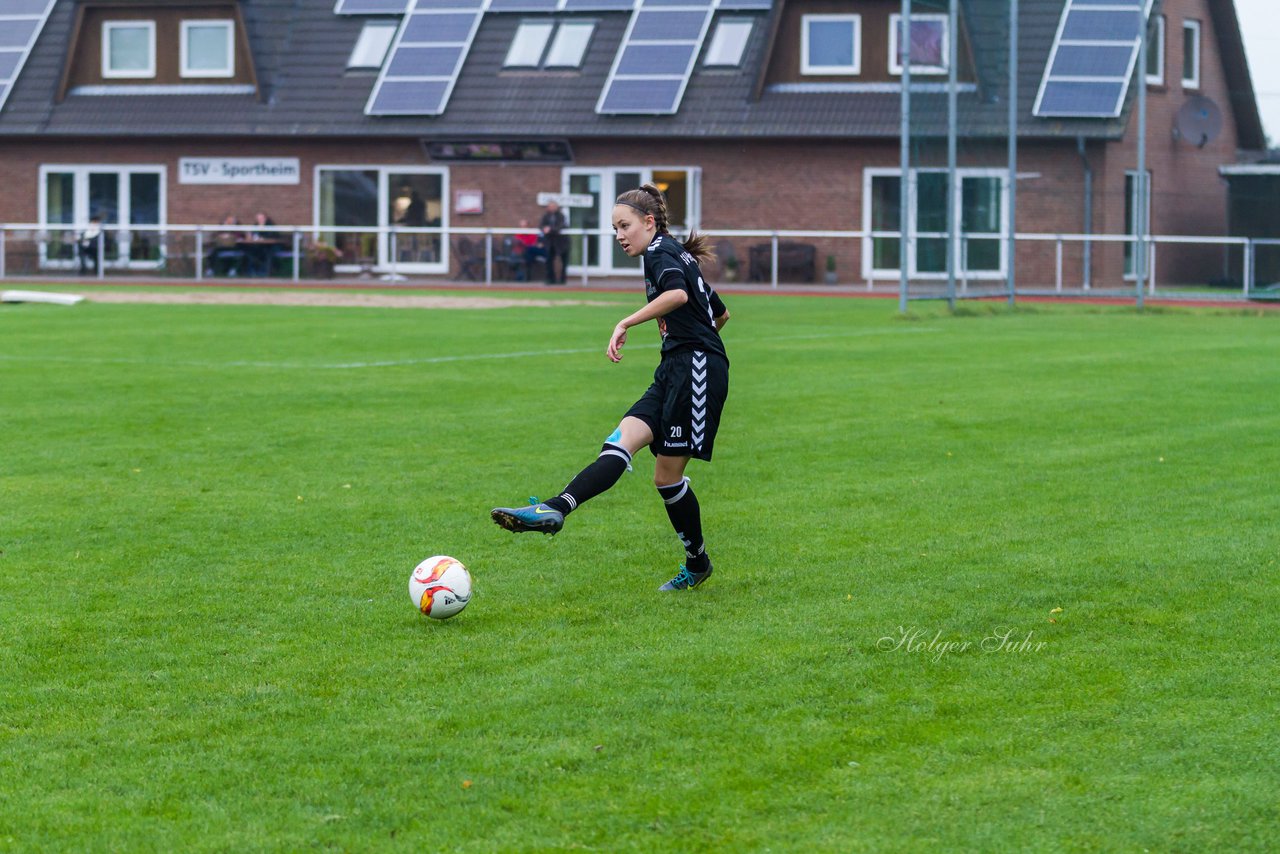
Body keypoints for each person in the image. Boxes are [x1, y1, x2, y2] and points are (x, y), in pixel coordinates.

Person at [492, 184, 730, 591]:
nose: (619, 235)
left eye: (625, 226)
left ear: (649, 223)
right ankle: (555, 508)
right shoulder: (672, 251)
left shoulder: (660, 252)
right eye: (614, 228)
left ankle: (698, 563)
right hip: (675, 367)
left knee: (666, 479)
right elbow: (721, 313)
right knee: (619, 442)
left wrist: (627, 322)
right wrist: (683, 331)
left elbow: (677, 293)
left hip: (696, 372)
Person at [539, 200, 569, 284]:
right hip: (550, 243)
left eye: (553, 206)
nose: (551, 208)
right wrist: (544, 229)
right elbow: (541, 226)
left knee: (564, 262)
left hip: (561, 243)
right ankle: (550, 279)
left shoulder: (561, 216)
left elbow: (560, 227)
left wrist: (550, 230)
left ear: (557, 207)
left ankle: (562, 280)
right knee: (549, 261)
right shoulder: (545, 216)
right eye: (550, 206)